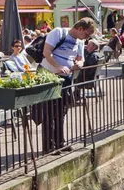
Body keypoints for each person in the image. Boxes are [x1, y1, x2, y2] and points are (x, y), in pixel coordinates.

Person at [40, 17, 95, 152]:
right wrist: (57, 66)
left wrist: (79, 64)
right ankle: (48, 146)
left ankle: (60, 142)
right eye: (86, 34)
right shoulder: (58, 32)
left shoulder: (80, 42)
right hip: (50, 77)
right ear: (80, 29)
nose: (87, 38)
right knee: (49, 111)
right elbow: (47, 52)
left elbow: (80, 59)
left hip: (66, 78)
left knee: (62, 110)